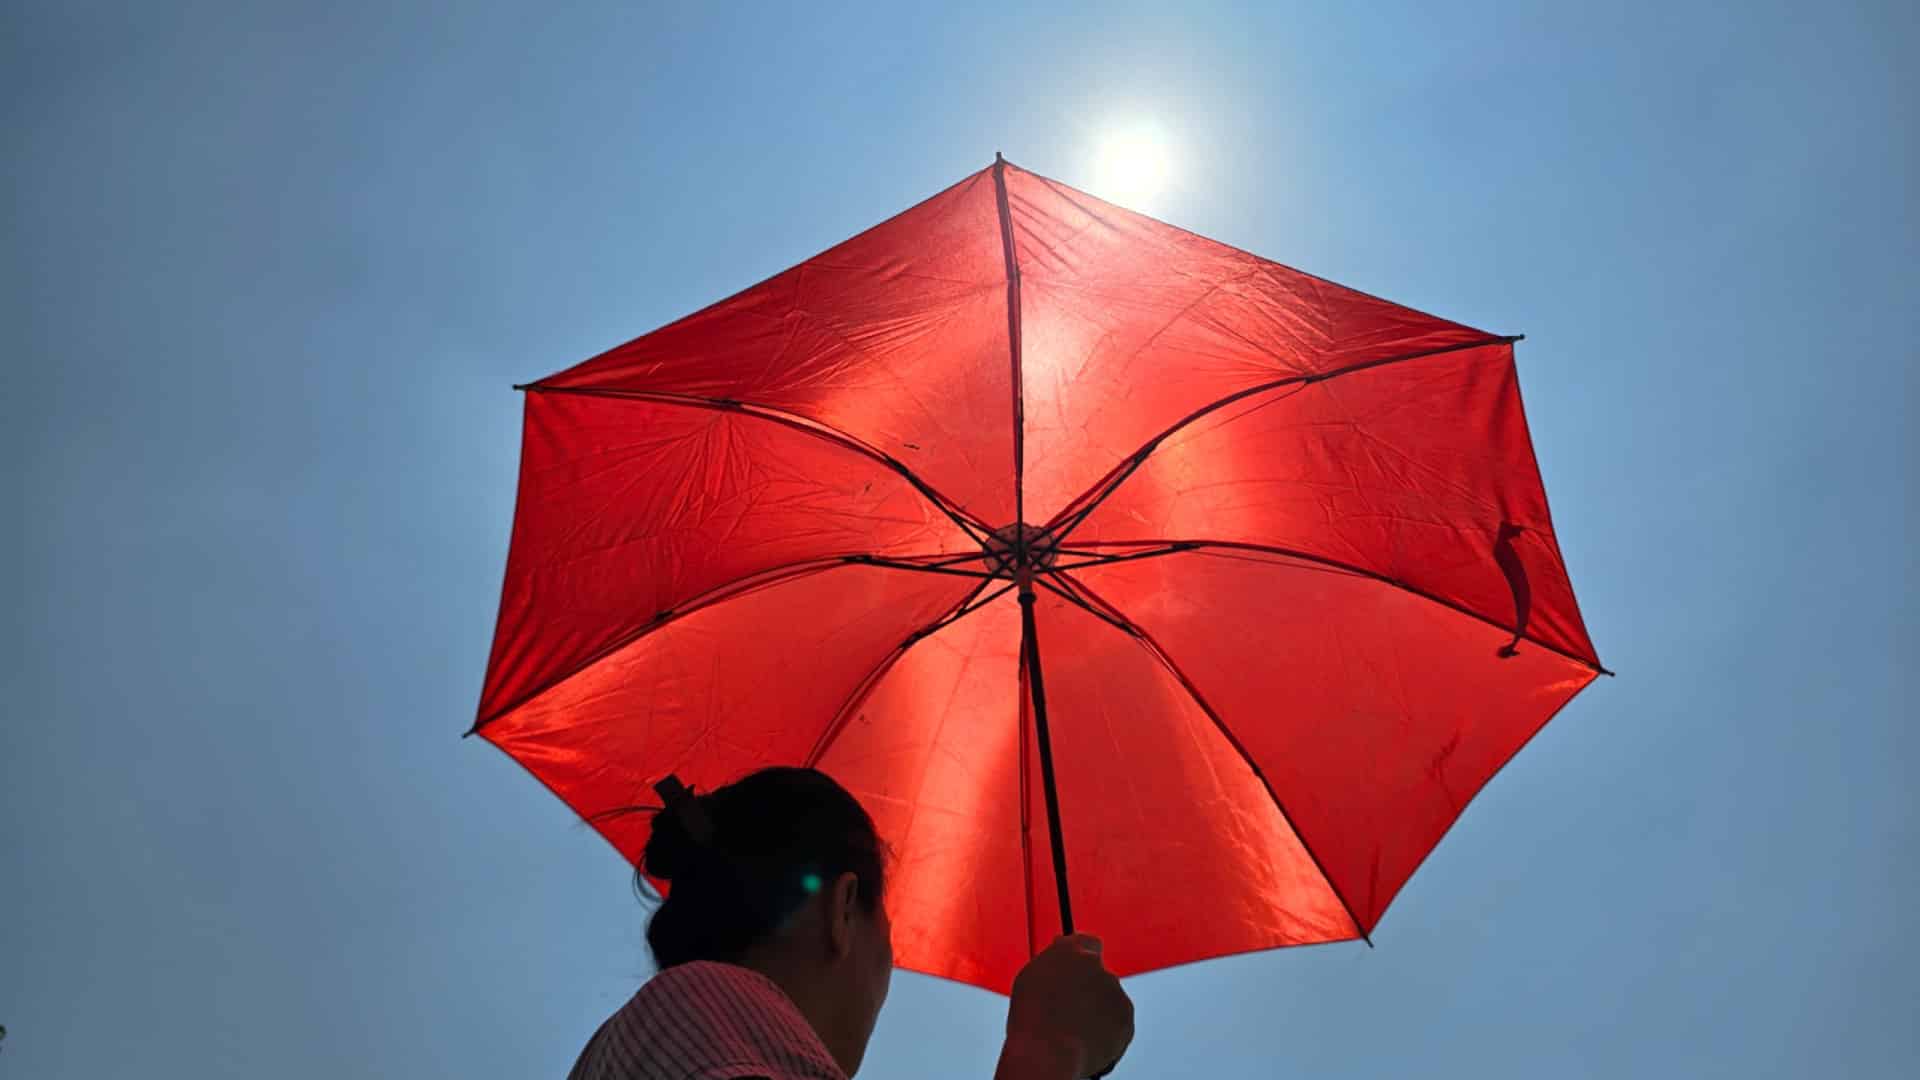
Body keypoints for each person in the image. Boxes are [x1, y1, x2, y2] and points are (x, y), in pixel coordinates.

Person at [567, 766, 1133, 1080]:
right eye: (885, 936)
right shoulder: (704, 1003)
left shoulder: (650, 1042)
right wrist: (1048, 1051)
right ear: (841, 911)